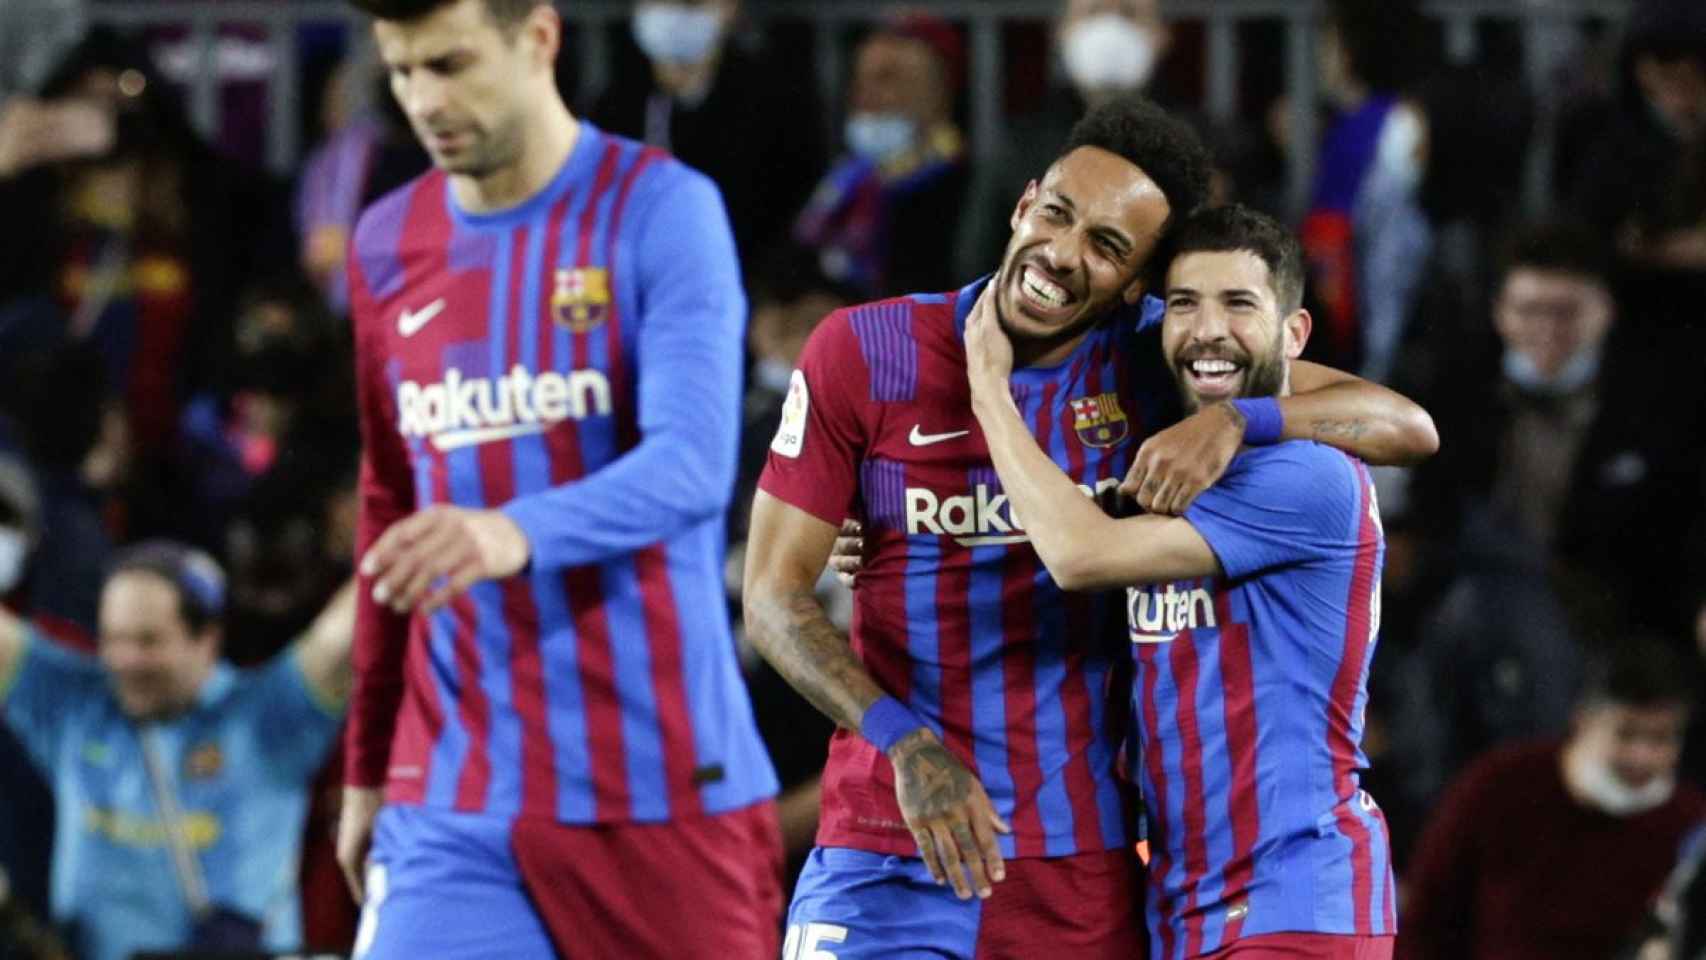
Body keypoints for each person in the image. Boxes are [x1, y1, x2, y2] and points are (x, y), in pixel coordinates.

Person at [744, 95, 1436, 959]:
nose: (1063, 255)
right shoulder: (864, 349)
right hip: (889, 835)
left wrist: (1240, 421)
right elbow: (772, 601)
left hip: (1081, 865)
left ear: (1136, 284)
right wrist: (906, 744)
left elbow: (1405, 426)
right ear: (1023, 201)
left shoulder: (1158, 352)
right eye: (1059, 215)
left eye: (1108, 246)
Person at [337, 1, 781, 957]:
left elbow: (694, 464)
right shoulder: (383, 244)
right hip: (452, 792)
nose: (424, 100)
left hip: (658, 783)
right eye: (403, 71)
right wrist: (368, 766)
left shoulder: (664, 209)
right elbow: (390, 510)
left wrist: (510, 532)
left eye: (450, 64)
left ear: (538, 38)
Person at [963, 203, 1397, 959]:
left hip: (1296, 896)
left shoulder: (1309, 475)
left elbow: (1078, 555)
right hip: (1181, 902)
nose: (1208, 330)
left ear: (1292, 334)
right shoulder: (1158, 449)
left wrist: (990, 394)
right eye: (1187, 304)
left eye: (1238, 304)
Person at [0, 541, 353, 960]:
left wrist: (423, 524)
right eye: (114, 638)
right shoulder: (72, 707)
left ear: (208, 639)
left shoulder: (269, 717)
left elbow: (356, 624)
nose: (125, 660)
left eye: (148, 641)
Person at [1398, 636, 1706, 960]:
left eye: (1661, 738)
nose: (1642, 757)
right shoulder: (1499, 784)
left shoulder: (1687, 823)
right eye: (1626, 733)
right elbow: (1425, 917)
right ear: (1584, 719)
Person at [591, 0, 825, 265]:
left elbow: (796, 214)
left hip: (748, 280)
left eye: (690, 4)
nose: (674, 14)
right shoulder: (614, 104)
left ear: (729, 8)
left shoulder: (778, 102)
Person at [957, 0, 1176, 279]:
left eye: (1129, 13)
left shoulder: (1209, 145)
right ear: (1060, 32)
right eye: (1093, 12)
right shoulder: (1021, 144)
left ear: (1164, 35)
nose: (1110, 29)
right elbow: (976, 259)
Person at [793, 13, 969, 299]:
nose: (865, 96)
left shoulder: (962, 186)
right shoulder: (845, 178)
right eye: (859, 79)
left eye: (887, 78)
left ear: (939, 92)